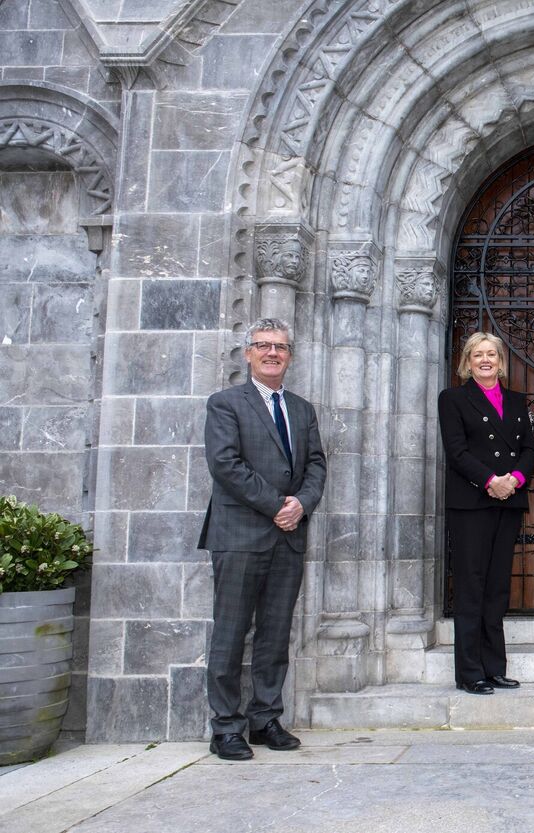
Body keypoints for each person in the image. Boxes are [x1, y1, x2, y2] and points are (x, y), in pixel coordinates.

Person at [198, 318, 326, 760]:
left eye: (281, 347)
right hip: (240, 535)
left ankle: (265, 718)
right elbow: (225, 464)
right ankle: (225, 727)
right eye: (264, 345)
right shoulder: (225, 404)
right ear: (248, 353)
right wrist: (277, 506)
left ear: (290, 356)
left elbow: (316, 465)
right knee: (231, 633)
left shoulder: (302, 410)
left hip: (288, 537)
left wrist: (302, 504)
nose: (273, 353)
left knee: (275, 633)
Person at [438, 332, 534, 695]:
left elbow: (530, 451)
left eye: (491, 354)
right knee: (471, 585)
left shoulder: (516, 401)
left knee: (497, 588)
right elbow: (456, 451)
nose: (485, 360)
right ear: (467, 362)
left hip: (508, 501)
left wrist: (514, 479)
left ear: (500, 361)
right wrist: (490, 481)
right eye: (477, 354)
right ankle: (470, 672)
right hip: (472, 502)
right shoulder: (453, 398)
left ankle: (494, 668)